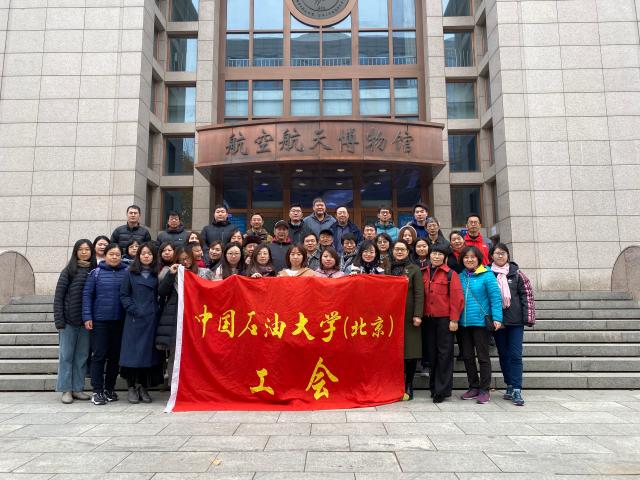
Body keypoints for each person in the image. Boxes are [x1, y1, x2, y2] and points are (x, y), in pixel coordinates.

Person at [490, 243, 535, 407]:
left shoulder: (517, 274)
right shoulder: (488, 274)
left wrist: (528, 317)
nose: (500, 256)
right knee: (503, 354)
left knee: (515, 355)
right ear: (492, 256)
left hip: (515, 322)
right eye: (497, 253)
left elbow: (527, 295)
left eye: (503, 253)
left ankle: (517, 388)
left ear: (508, 255)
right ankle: (509, 383)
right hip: (498, 322)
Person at [82, 243, 127, 405]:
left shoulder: (127, 272)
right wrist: (87, 317)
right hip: (100, 321)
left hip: (120, 321)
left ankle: (109, 389)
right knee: (99, 355)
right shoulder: (95, 273)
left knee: (115, 357)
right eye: (111, 254)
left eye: (117, 254)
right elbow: (87, 295)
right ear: (105, 256)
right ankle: (97, 391)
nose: (114, 257)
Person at [458, 245, 503, 404]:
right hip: (463, 324)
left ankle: (484, 389)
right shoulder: (460, 276)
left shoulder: (487, 275)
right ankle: (473, 387)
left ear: (478, 259)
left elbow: (495, 298)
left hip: (481, 323)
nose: (469, 260)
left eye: (472, 257)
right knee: (468, 357)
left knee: (483, 357)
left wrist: (497, 318)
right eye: (466, 257)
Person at [54, 239, 96, 404]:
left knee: (82, 356)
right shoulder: (69, 271)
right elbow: (59, 297)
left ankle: (78, 388)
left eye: (87, 249)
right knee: (66, 356)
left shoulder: (94, 270)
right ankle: (66, 389)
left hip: (86, 323)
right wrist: (59, 320)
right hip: (68, 321)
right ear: (75, 252)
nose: (84, 252)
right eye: (81, 249)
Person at [119, 242, 162, 404]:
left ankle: (143, 387)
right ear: (138, 255)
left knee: (147, 356)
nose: (146, 256)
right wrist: (133, 309)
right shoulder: (130, 273)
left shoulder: (156, 274)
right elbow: (124, 295)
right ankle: (131, 387)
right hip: (134, 320)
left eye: (149, 253)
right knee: (132, 355)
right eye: (143, 253)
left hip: (151, 320)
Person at [422, 244, 464, 403]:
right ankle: (434, 387)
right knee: (432, 354)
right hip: (428, 319)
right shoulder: (423, 272)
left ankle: (442, 390)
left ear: (445, 257)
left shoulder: (451, 274)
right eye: (434, 254)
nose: (436, 256)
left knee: (444, 355)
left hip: (444, 320)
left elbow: (457, 298)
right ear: (430, 255)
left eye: (440, 254)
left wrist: (454, 319)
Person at [389, 240, 424, 401]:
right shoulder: (387, 268)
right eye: (397, 249)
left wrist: (418, 314)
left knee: (410, 352)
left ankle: (408, 384)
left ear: (408, 252)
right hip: (390, 317)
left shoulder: (414, 269)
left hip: (409, 317)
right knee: (392, 353)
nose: (399, 252)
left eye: (402, 249)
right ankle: (393, 384)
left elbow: (419, 293)